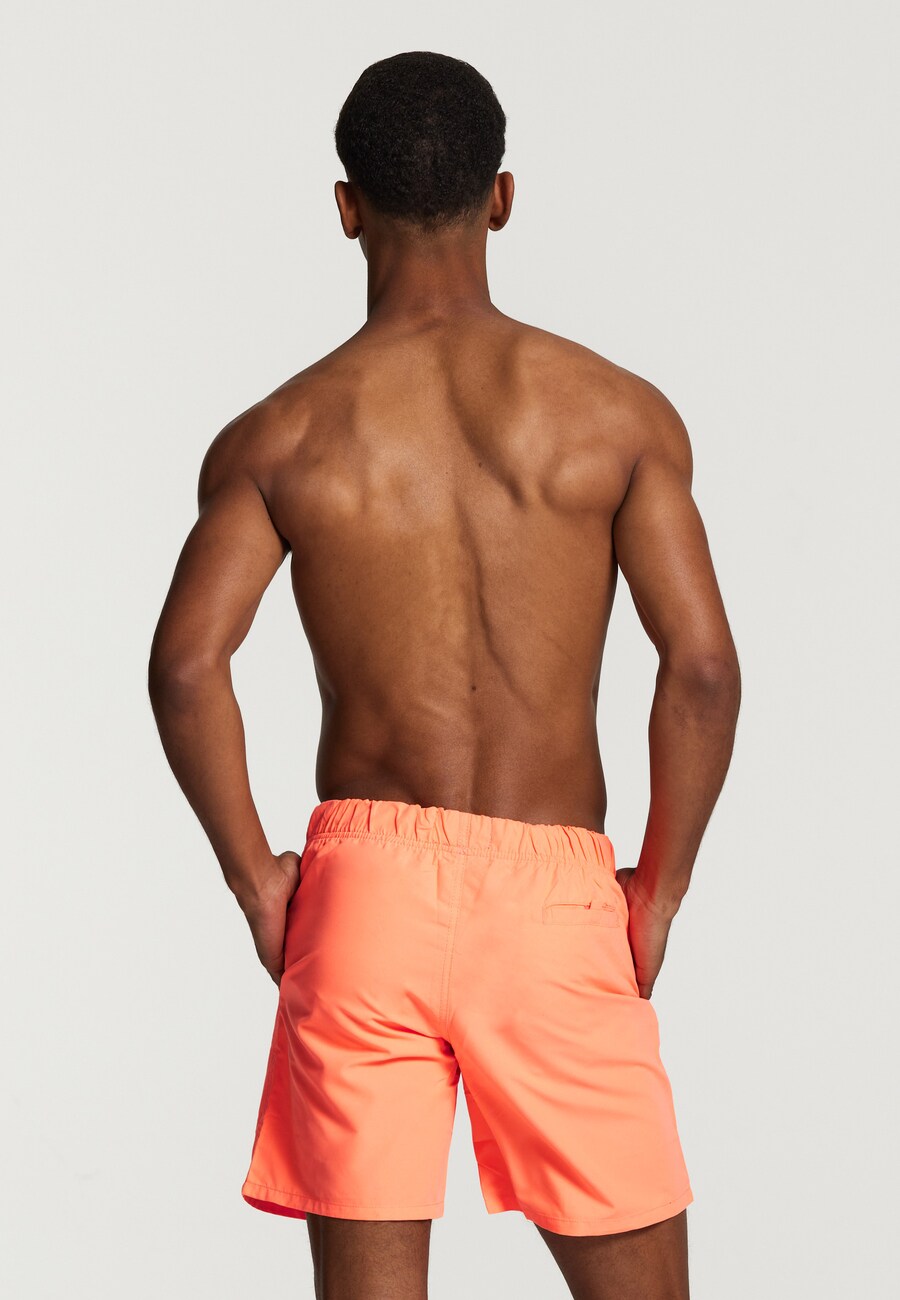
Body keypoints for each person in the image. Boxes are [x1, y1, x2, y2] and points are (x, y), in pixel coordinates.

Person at [148, 49, 741, 1300]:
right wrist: (661, 891)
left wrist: (260, 884)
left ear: (346, 207)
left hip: (362, 896)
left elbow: (188, 667)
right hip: (556, 896)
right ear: (503, 197)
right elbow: (699, 667)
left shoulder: (282, 435)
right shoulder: (618, 416)